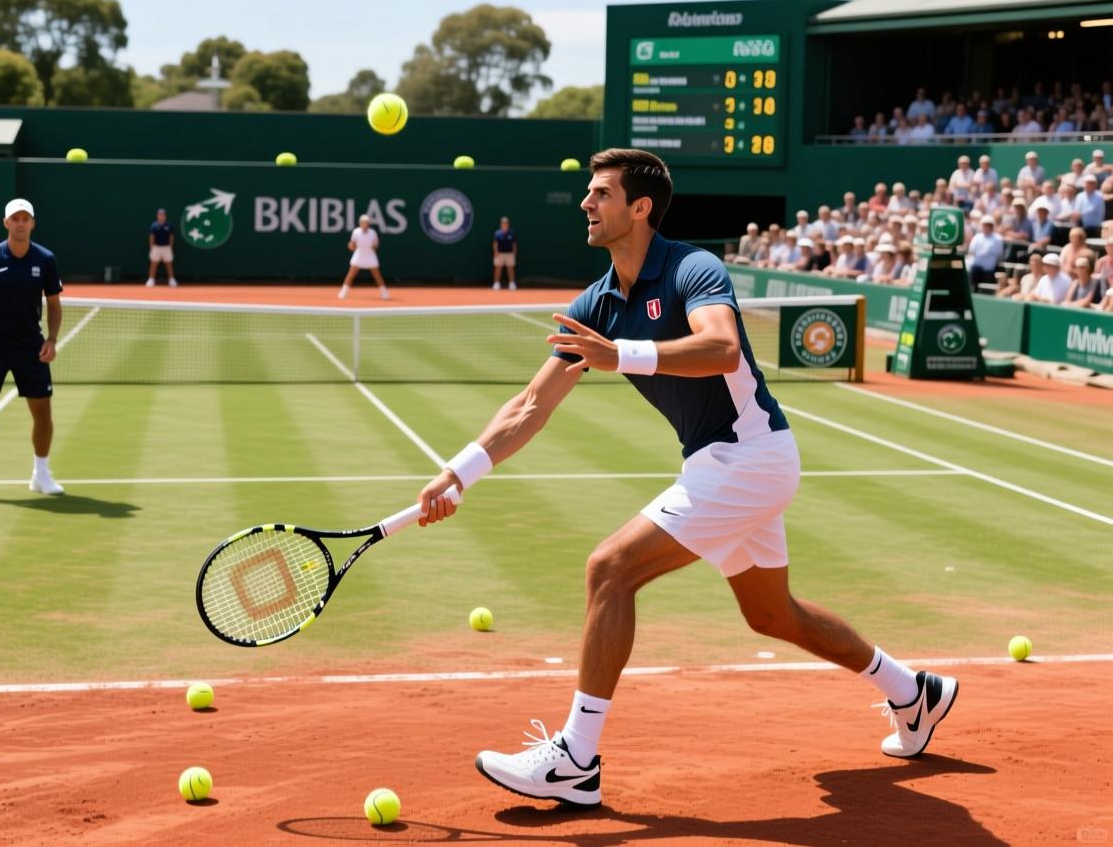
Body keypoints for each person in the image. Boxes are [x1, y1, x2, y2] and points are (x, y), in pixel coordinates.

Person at [414, 148, 958, 808]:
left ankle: (576, 759)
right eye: (588, 193)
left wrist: (624, 355)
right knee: (771, 615)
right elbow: (532, 405)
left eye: (601, 194)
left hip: (750, 455)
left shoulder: (692, 267)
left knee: (610, 568)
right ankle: (913, 692)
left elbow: (721, 347)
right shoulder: (597, 300)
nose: (586, 203)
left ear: (639, 208)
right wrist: (458, 474)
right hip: (721, 460)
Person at [0, 198, 65, 501]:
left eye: (25, 218)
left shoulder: (45, 260)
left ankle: (41, 475)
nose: (20, 223)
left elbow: (54, 304)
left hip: (31, 346)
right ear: (6, 223)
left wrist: (52, 340)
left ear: (32, 223)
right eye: (15, 219)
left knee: (42, 411)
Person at [338, 214, 388, 300]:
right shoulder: (356, 232)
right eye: (364, 222)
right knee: (350, 275)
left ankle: (384, 293)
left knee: (377, 275)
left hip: (370, 255)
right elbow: (352, 244)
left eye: (367, 222)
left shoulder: (373, 233)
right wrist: (351, 246)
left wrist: (374, 247)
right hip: (359, 254)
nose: (365, 223)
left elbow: (376, 245)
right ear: (360, 223)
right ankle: (343, 292)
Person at [146, 208, 177, 288]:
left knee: (169, 264)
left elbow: (171, 237)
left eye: (163, 215)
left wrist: (170, 247)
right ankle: (151, 280)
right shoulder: (154, 225)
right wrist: (151, 248)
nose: (161, 216)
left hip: (166, 247)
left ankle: (171, 280)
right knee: (154, 263)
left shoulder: (169, 225)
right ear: (157, 216)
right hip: (156, 247)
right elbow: (151, 237)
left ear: (165, 216)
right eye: (160, 214)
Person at [492, 216, 519, 291]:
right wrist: (496, 253)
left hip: (509, 254)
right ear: (501, 224)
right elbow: (495, 244)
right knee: (498, 269)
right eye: (503, 223)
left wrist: (514, 253)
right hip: (499, 254)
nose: (504, 224)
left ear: (508, 224)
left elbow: (514, 244)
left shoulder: (512, 233)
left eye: (506, 223)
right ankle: (496, 283)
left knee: (510, 269)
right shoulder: (497, 233)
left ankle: (512, 284)